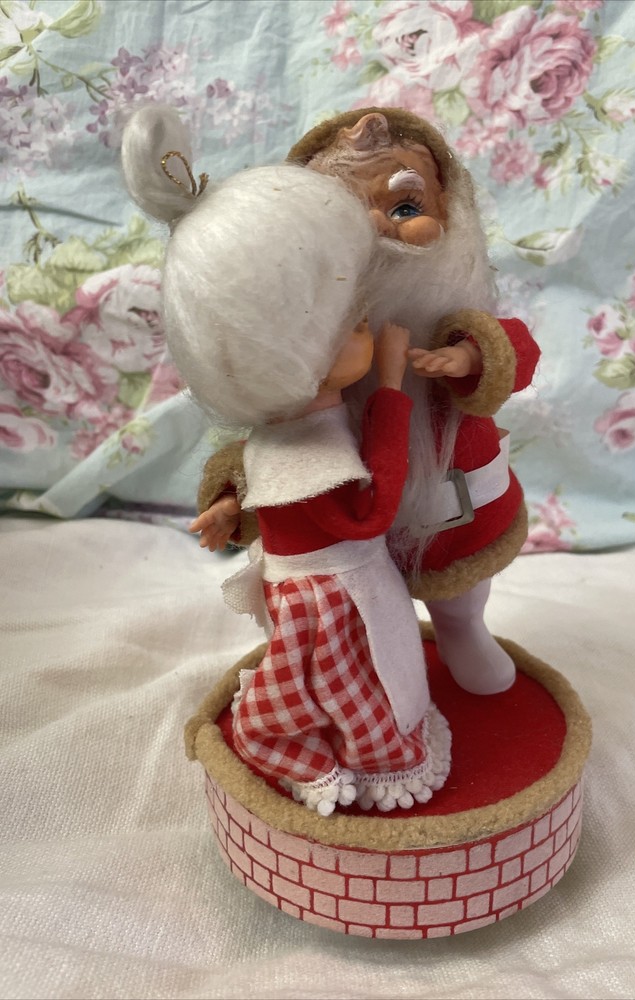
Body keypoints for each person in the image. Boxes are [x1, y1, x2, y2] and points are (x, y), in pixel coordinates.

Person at [120, 106, 450, 816]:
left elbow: (264, 476)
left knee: (322, 687)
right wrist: (391, 390)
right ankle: (354, 758)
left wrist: (230, 506)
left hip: (303, 594)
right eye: (353, 322)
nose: (367, 327)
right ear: (296, 353)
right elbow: (368, 513)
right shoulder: (314, 446)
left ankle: (333, 746)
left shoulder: (285, 432)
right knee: (357, 689)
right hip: (333, 602)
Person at [198, 108, 541, 697]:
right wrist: (237, 495)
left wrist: (470, 356)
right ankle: (379, 672)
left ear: (452, 212)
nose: (377, 227)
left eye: (406, 207)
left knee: (460, 591)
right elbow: (279, 434)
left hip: (452, 507)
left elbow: (518, 350)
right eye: (345, 217)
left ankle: (461, 630)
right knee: (365, 610)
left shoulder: (451, 314)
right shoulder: (302, 332)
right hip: (349, 522)